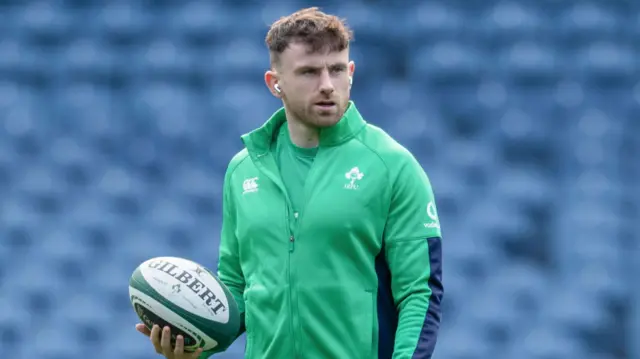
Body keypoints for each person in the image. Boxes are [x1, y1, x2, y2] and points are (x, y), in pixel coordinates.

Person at [136, 7, 444, 359]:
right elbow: (237, 288)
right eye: (309, 72)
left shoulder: (392, 165)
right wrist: (196, 342)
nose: (327, 84)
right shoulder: (243, 170)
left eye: (337, 69)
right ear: (274, 83)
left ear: (351, 73)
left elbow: (420, 294)